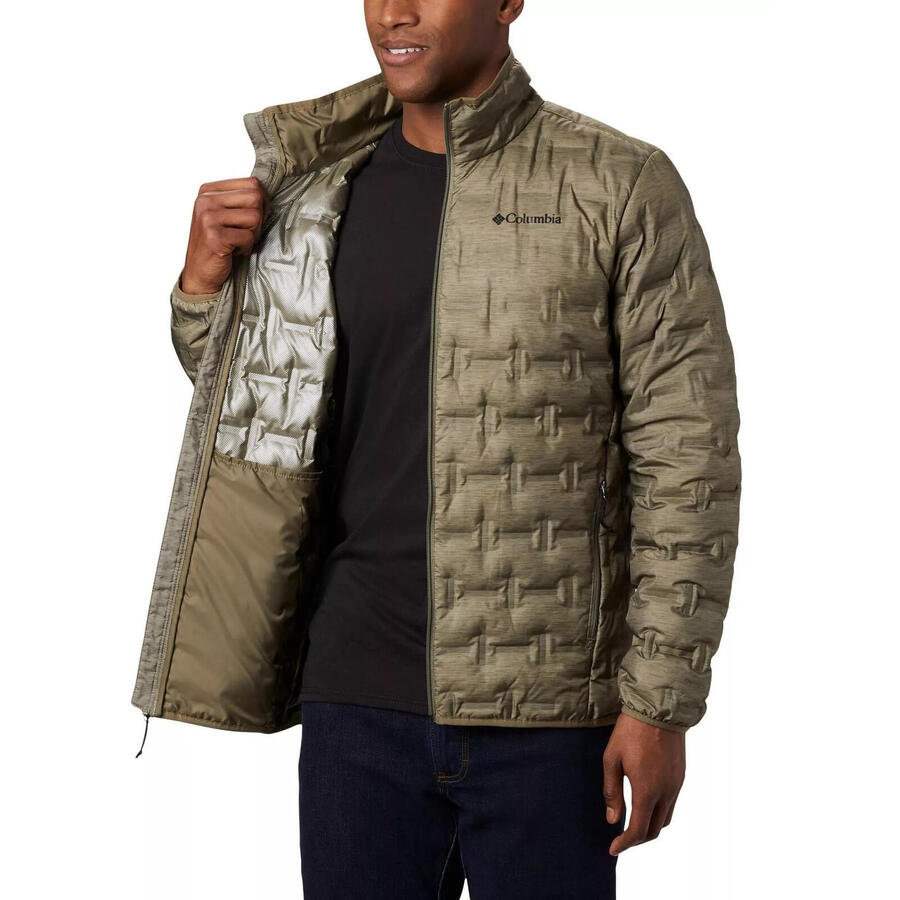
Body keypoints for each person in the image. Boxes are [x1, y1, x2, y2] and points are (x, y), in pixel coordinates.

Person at [132, 1, 741, 896]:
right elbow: (268, 408)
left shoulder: (617, 185)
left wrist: (660, 702)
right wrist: (200, 290)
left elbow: (689, 458)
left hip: (547, 706)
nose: (395, 12)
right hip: (355, 699)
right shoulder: (313, 191)